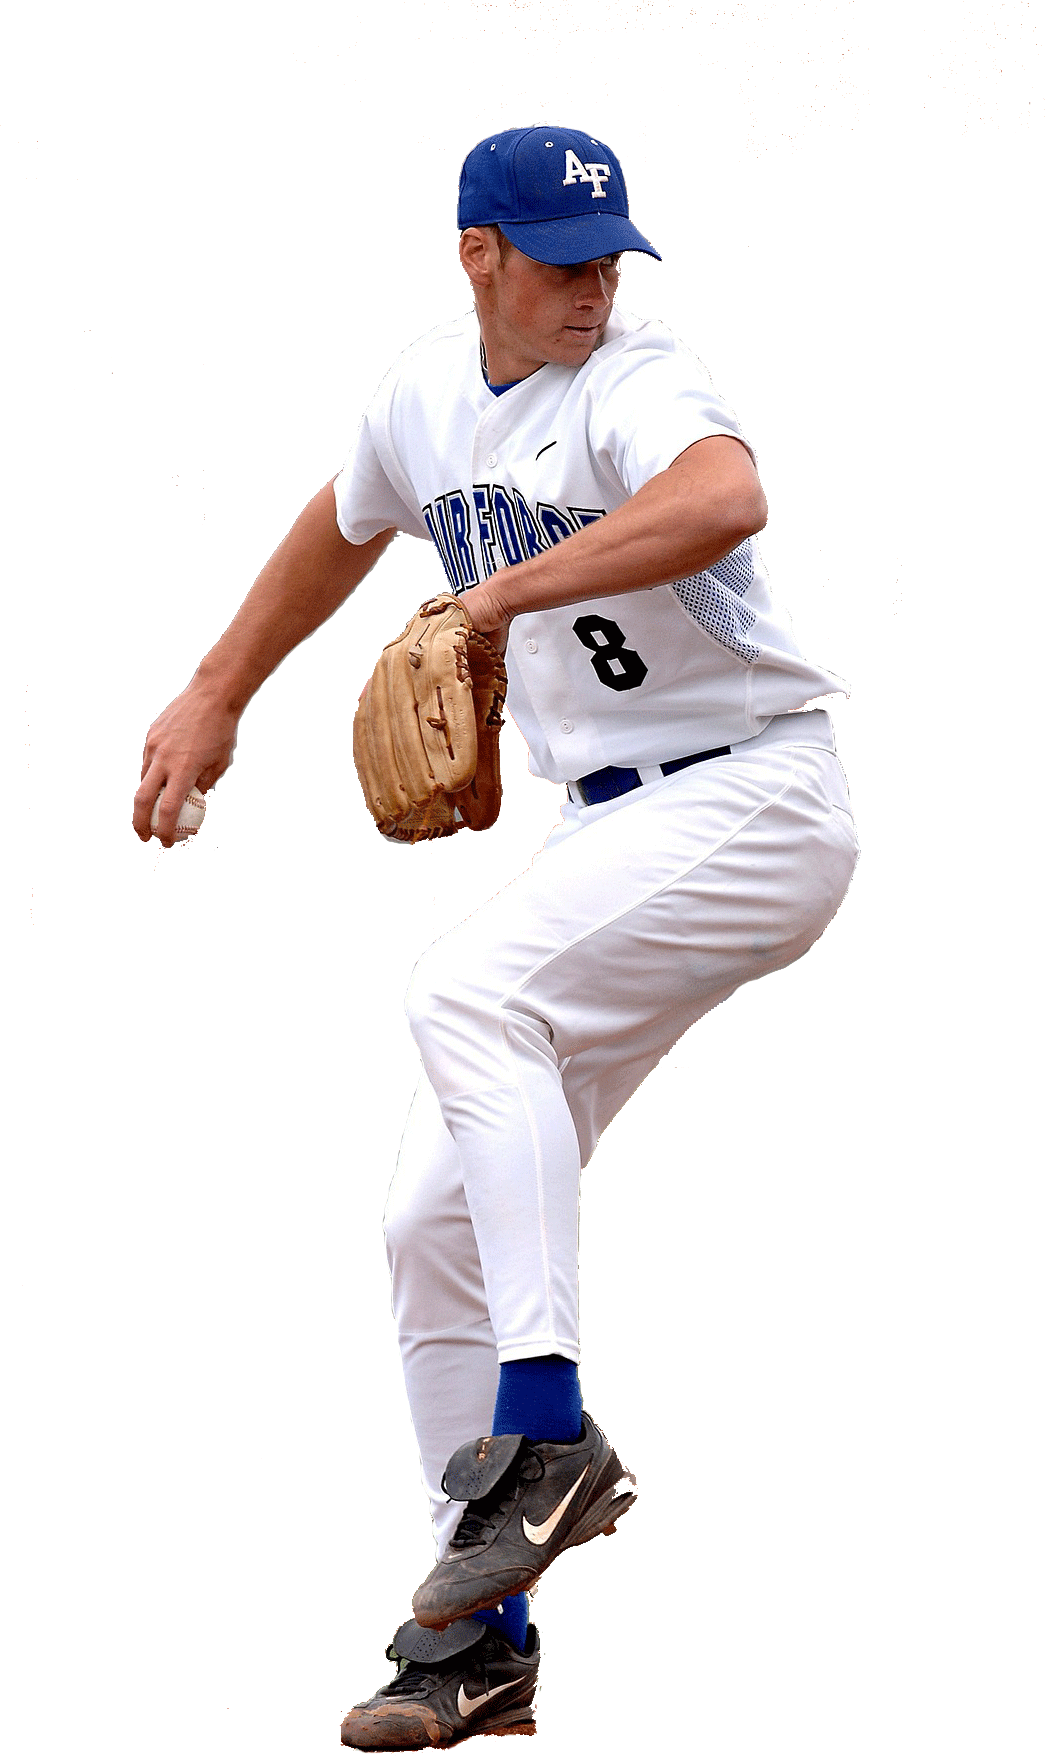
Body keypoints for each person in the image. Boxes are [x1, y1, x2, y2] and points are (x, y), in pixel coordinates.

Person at [133, 124, 860, 1748]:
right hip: (614, 825)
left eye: (609, 258)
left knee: (468, 994)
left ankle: (544, 1427)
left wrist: (496, 598)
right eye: (560, 260)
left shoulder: (636, 378)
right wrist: (215, 694)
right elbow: (340, 525)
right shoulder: (423, 394)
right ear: (480, 255)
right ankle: (481, 1642)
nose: (593, 287)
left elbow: (725, 493)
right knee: (429, 1224)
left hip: (756, 789)